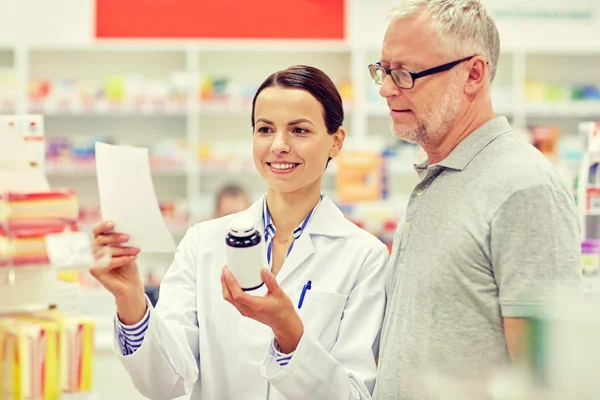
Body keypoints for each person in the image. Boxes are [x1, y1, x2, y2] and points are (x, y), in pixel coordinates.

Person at [89, 65, 389, 400]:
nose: (278, 145)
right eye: (265, 129)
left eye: (299, 131)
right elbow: (165, 383)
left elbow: (355, 395)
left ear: (336, 141)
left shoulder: (365, 257)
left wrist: (290, 332)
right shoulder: (203, 243)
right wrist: (130, 298)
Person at [369, 1, 582, 399]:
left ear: (473, 74)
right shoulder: (438, 178)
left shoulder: (524, 188)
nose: (385, 88)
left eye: (404, 73)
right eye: (383, 70)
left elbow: (548, 381)